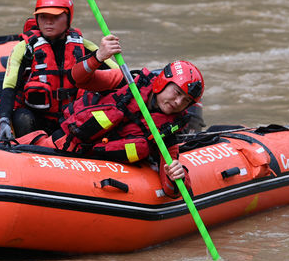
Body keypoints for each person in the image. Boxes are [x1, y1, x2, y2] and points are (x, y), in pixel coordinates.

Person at [28, 34, 203, 198]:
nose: (178, 102)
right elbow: (78, 78)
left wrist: (177, 175)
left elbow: (170, 188)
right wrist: (99, 56)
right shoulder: (126, 82)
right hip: (62, 145)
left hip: (95, 170)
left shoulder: (167, 132)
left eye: (186, 100)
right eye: (177, 92)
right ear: (163, 82)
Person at [0, 0, 105, 140]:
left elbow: (120, 77)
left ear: (68, 18)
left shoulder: (86, 48)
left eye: (55, 16)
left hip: (72, 119)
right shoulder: (24, 49)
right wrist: (3, 120)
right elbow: (9, 88)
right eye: (43, 16)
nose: (48, 22)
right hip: (37, 118)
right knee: (22, 118)